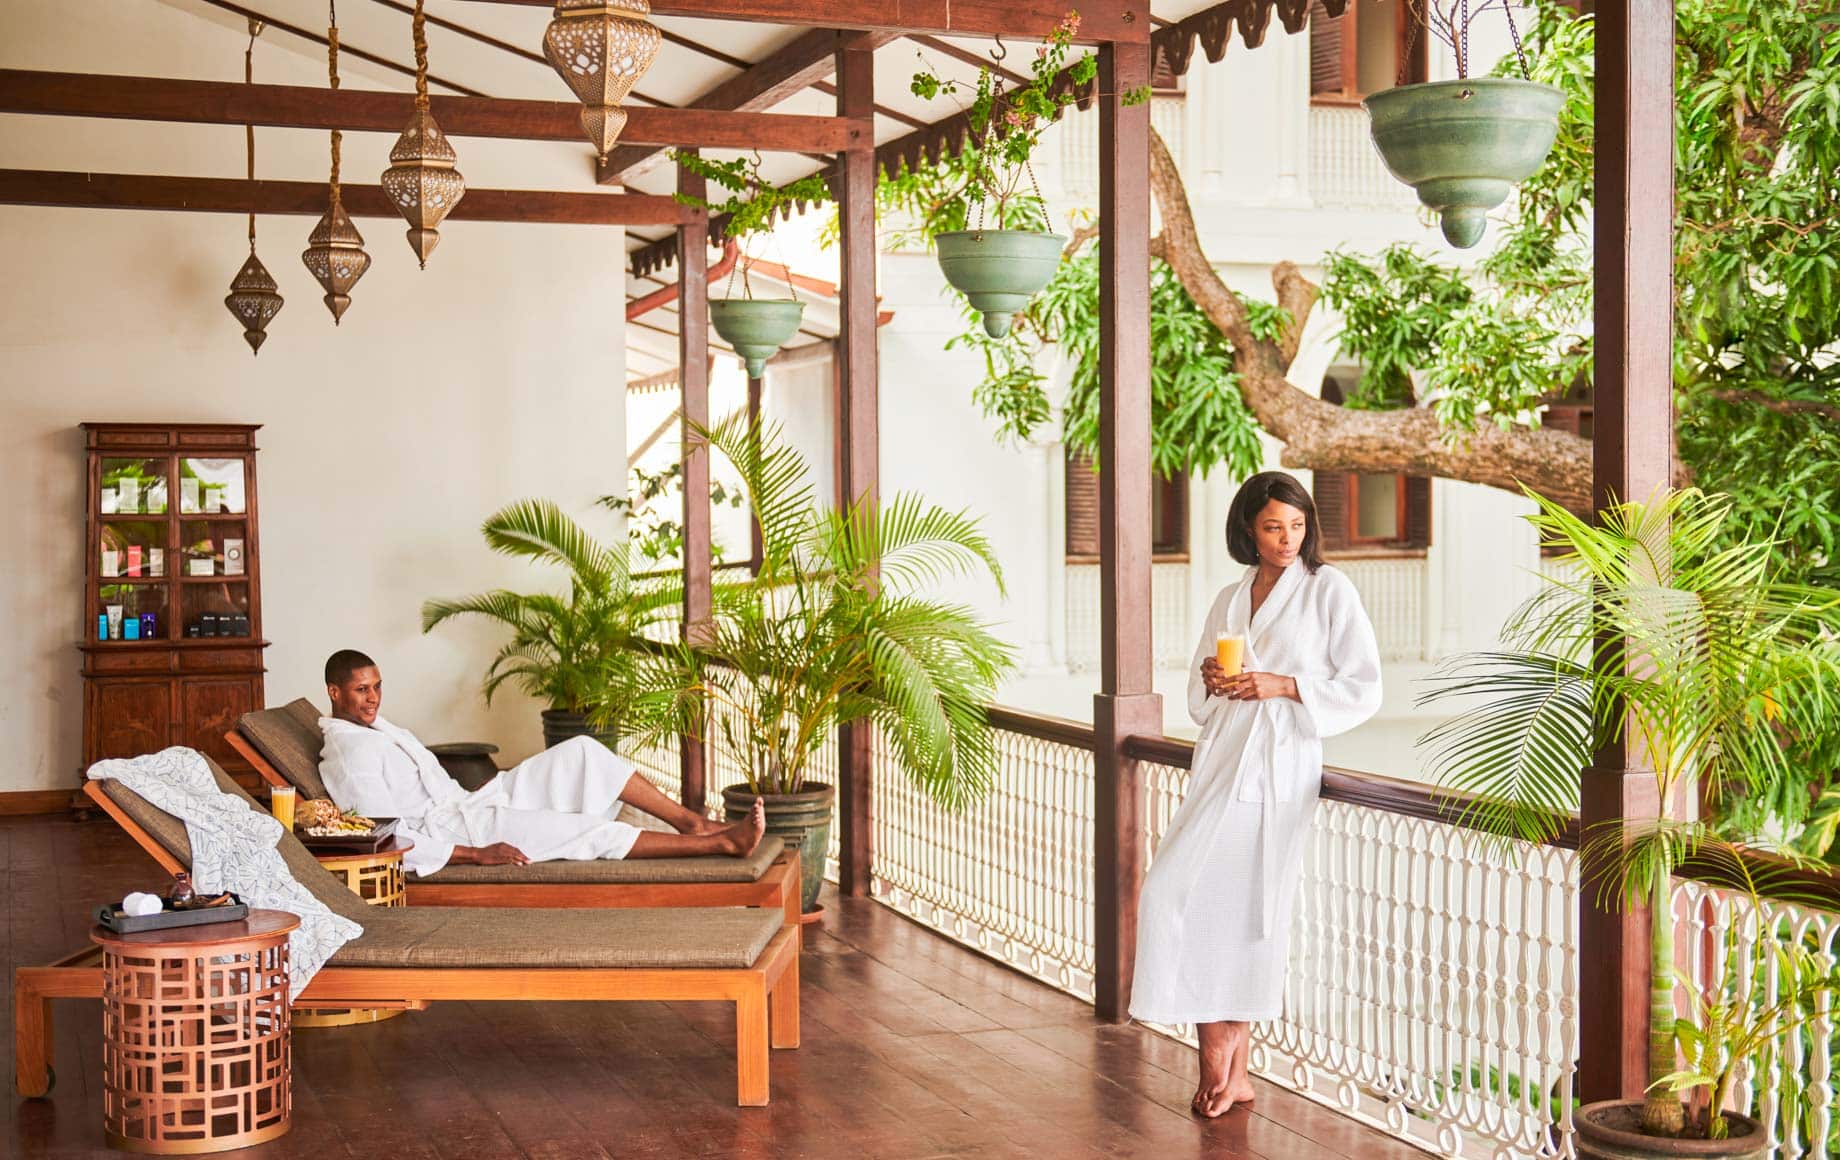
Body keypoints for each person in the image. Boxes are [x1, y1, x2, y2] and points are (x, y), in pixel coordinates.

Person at [1129, 471, 1382, 1118]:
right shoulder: (1231, 594)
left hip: (1278, 768)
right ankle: (1223, 1060)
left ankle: (1228, 1066)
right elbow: (1200, 688)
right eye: (1273, 526)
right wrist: (1216, 679)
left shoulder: (1329, 590)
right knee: (1168, 893)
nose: (1286, 539)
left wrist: (1287, 685)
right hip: (1221, 763)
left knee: (1249, 912)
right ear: (1248, 527)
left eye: (1296, 526)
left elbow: (1364, 686)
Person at [315, 649, 764, 878]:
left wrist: (477, 796)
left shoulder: (375, 728)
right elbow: (382, 833)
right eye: (361, 690)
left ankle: (692, 823)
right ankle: (720, 846)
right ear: (336, 692)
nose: (373, 697)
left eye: (376, 686)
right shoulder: (349, 754)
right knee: (586, 833)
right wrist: (473, 854)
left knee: (583, 752)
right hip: (463, 833)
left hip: (472, 803)